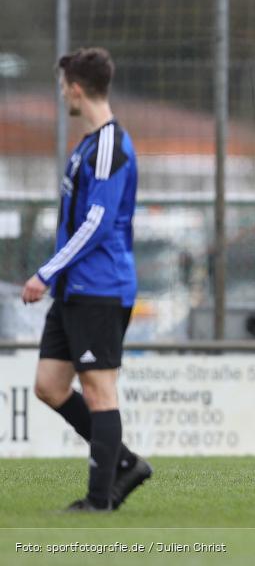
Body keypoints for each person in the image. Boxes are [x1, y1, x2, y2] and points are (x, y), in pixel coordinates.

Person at [21, 47, 152, 511]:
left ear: (76, 88)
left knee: (99, 391)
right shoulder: (89, 144)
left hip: (101, 288)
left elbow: (96, 223)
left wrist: (47, 271)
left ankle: (99, 502)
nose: (62, 95)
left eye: (63, 87)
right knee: (49, 386)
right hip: (74, 289)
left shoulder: (110, 146)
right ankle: (126, 463)